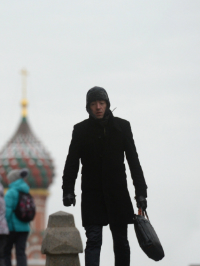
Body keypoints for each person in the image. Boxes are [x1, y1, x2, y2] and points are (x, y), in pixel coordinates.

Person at [62, 86, 148, 266]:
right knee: (93, 240)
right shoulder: (81, 130)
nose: (98, 107)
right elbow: (72, 163)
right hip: (92, 194)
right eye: (93, 104)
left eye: (101, 103)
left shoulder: (122, 127)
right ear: (88, 107)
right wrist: (68, 190)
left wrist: (141, 192)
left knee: (121, 242)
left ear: (107, 104)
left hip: (117, 193)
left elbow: (134, 161)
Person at [3, 169, 31, 266]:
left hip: (12, 228)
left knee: (6, 252)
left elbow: (6, 211)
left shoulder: (11, 192)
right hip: (25, 228)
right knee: (21, 253)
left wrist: (4, 225)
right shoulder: (26, 191)